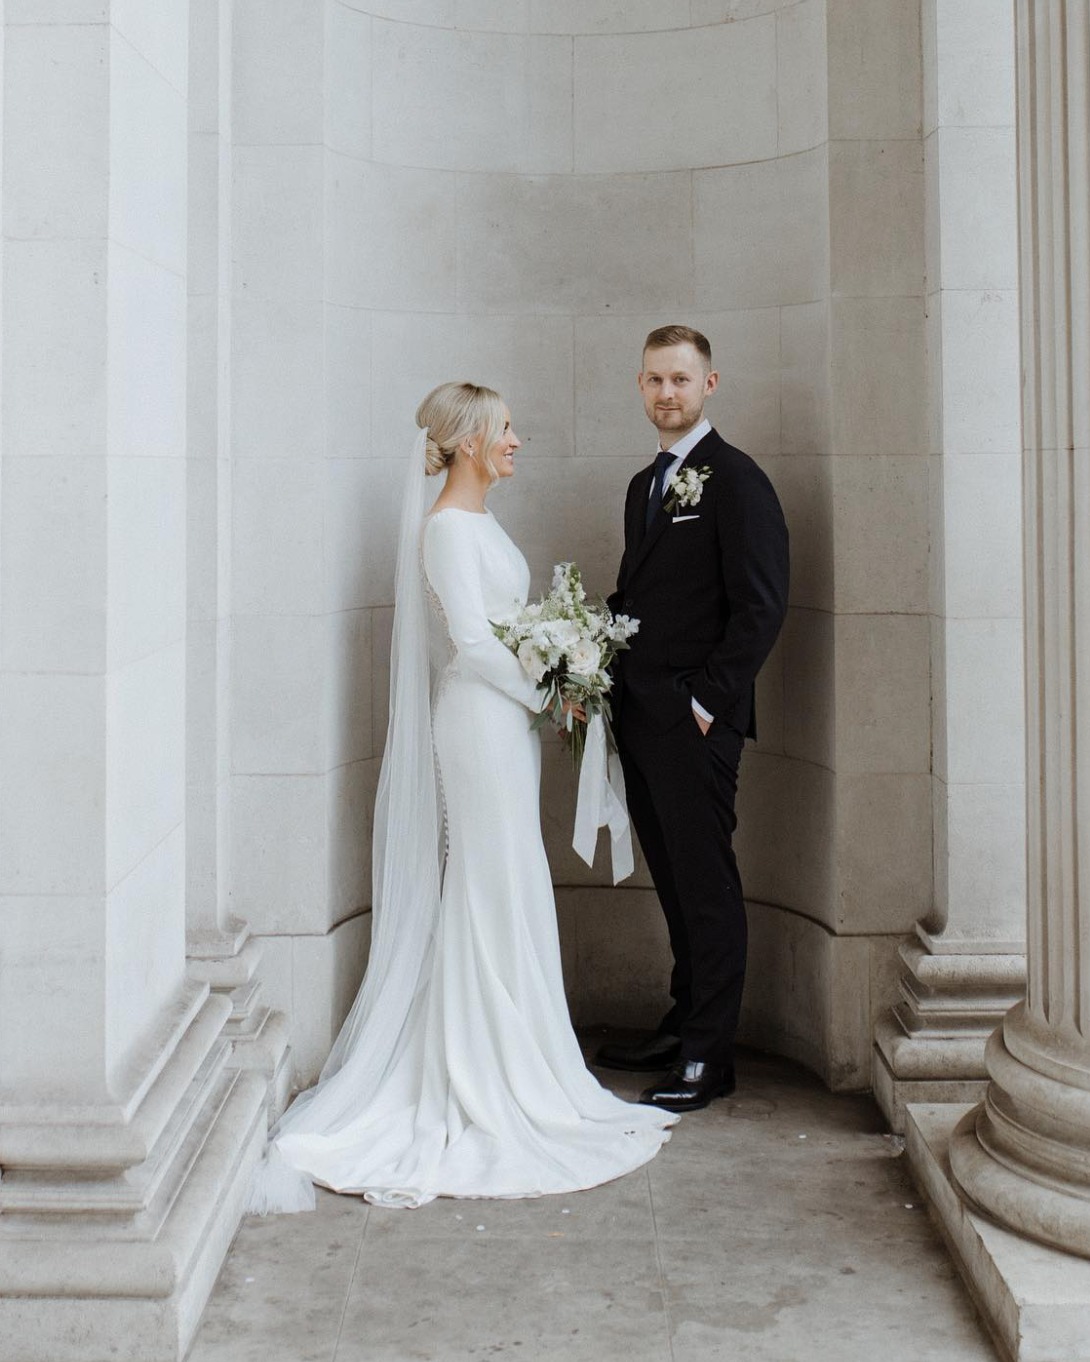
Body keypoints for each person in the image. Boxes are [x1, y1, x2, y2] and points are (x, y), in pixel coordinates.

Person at [247, 382, 675, 1213]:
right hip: (480, 723)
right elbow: (474, 643)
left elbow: (507, 626)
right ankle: (485, 1068)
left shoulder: (476, 522)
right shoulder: (445, 528)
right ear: (471, 440)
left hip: (505, 724)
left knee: (509, 879)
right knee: (487, 882)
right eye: (506, 429)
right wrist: (552, 690)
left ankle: (527, 1056)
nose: (517, 439)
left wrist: (556, 667)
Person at [597, 326, 789, 1113]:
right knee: (674, 883)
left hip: (696, 724)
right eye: (653, 380)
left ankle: (711, 1056)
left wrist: (706, 703)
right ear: (639, 386)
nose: (666, 393)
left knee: (706, 885)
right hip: (641, 718)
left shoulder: (737, 480)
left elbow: (761, 606)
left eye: (681, 379)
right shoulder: (646, 484)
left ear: (710, 384)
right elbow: (638, 601)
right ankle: (685, 1023)